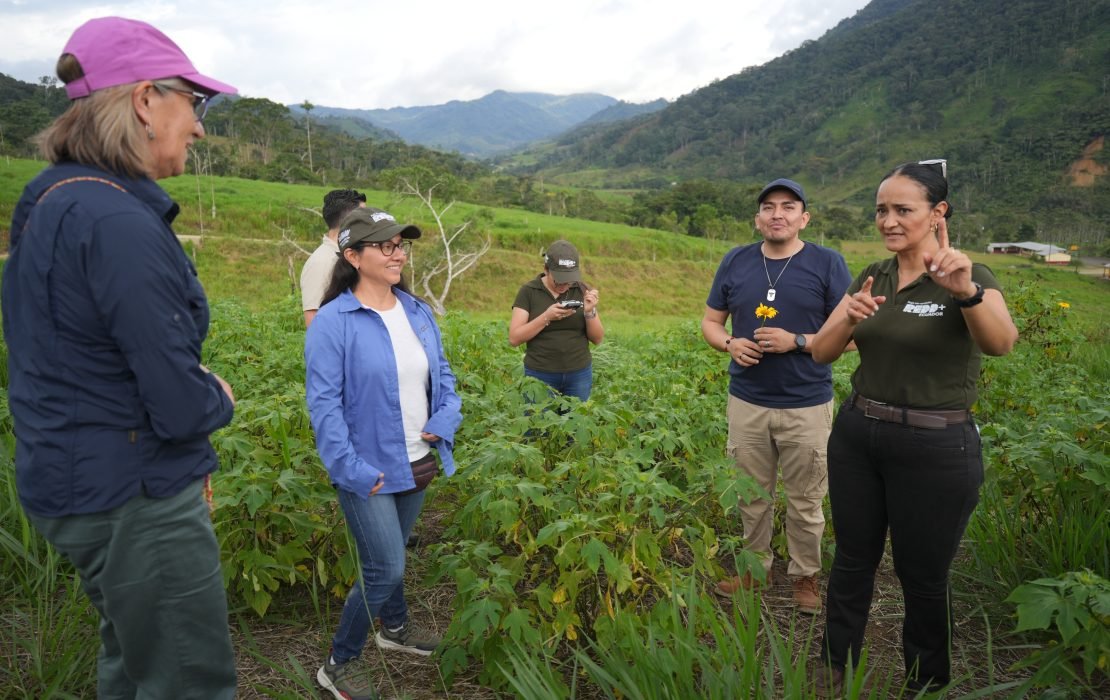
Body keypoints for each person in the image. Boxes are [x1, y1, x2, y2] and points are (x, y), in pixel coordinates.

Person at [0, 16, 239, 698]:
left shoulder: (52, 198)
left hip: (75, 477)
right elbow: (174, 397)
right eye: (194, 103)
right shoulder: (117, 223)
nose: (199, 125)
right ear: (143, 100)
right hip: (133, 492)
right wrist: (216, 395)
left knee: (135, 660)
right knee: (186, 678)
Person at [809, 160, 1018, 694]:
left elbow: (1001, 344)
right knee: (853, 558)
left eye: (904, 209)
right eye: (882, 209)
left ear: (937, 213)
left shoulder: (967, 276)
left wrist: (965, 291)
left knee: (922, 576)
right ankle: (835, 664)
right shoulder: (872, 276)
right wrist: (847, 318)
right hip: (858, 435)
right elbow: (820, 354)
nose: (889, 220)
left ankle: (925, 682)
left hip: (935, 445)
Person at [305, 206, 462, 700]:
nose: (398, 254)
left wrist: (445, 420)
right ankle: (339, 663)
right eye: (386, 245)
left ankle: (394, 629)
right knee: (385, 568)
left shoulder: (416, 311)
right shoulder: (333, 323)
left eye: (402, 245)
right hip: (367, 469)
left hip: (418, 458)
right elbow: (324, 406)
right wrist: (349, 468)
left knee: (394, 551)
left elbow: (446, 377)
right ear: (352, 255)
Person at [701, 178, 851, 614]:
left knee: (806, 497)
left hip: (806, 402)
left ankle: (805, 577)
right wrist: (729, 343)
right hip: (747, 400)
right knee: (751, 494)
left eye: (788, 207)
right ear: (757, 218)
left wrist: (799, 342)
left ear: (804, 218)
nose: (777, 214)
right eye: (768, 207)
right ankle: (753, 570)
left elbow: (854, 334)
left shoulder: (828, 264)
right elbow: (711, 323)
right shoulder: (736, 261)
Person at [509, 240, 604, 401]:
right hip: (540, 374)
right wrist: (547, 317)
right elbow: (514, 338)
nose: (564, 285)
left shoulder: (581, 289)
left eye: (569, 280)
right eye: (559, 279)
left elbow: (597, 339)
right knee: (537, 423)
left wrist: (590, 311)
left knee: (575, 422)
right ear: (546, 270)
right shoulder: (529, 292)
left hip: (578, 373)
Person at [301, 188, 366, 326]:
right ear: (349, 222)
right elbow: (313, 319)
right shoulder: (321, 262)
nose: (369, 223)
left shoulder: (350, 255)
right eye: (364, 218)